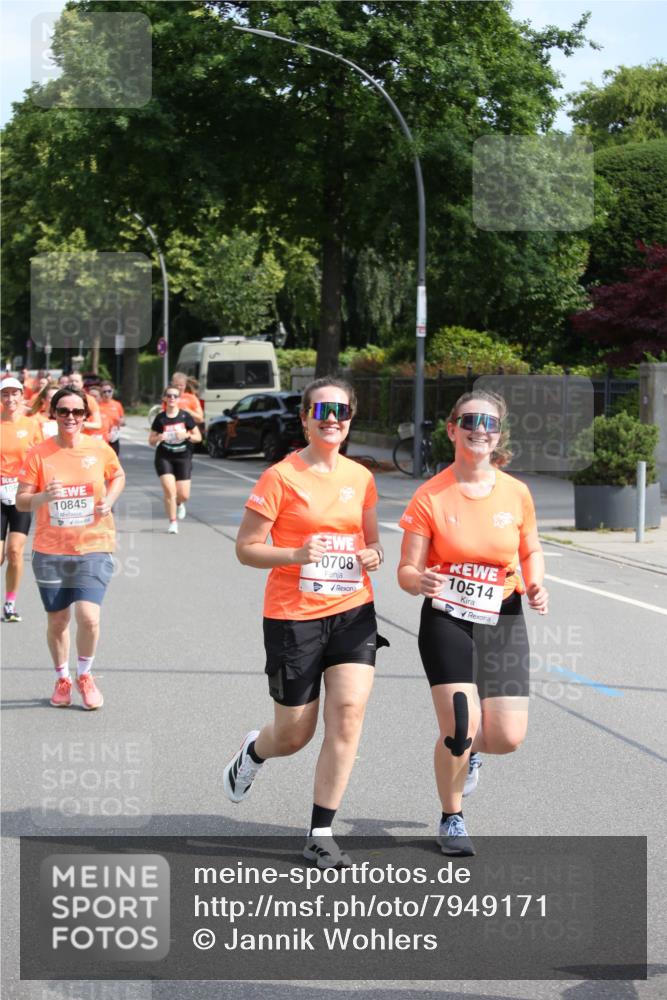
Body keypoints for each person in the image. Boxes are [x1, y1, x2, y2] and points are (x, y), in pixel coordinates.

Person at [223, 377, 385, 869]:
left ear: (350, 418)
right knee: (294, 734)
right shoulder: (280, 477)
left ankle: (320, 831)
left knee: (349, 713)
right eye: (322, 410)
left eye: (341, 411)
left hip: (353, 609)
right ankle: (255, 752)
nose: (332, 418)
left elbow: (372, 542)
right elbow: (246, 548)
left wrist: (374, 554)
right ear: (305, 418)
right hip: (293, 616)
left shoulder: (361, 477)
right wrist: (295, 553)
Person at [397, 390, 549, 857]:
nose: (479, 428)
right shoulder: (430, 495)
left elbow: (531, 550)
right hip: (447, 618)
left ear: (498, 434)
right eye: (470, 420)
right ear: (452, 428)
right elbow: (405, 570)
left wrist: (537, 583)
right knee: (460, 724)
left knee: (506, 737)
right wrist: (418, 580)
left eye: (489, 422)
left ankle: (467, 751)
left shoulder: (516, 492)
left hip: (502, 616)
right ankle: (452, 816)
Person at [16, 386, 125, 709]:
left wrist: (109, 499)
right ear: (54, 414)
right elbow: (22, 502)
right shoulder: (39, 453)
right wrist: (43, 497)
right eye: (63, 411)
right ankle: (63, 677)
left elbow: (117, 476)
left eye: (77, 412)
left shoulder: (99, 448)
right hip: (51, 550)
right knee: (58, 621)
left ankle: (85, 675)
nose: (71, 418)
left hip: (94, 543)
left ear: (85, 416)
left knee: (89, 617)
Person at [1, 377, 40, 622]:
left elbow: (42, 458)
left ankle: (10, 604)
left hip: (22, 494)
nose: (10, 399)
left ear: (22, 396)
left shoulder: (32, 425)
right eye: (5, 394)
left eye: (15, 394)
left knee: (15, 551)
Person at [149, 387, 202, 533]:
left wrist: (187, 436)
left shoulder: (185, 417)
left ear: (178, 399)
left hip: (183, 456)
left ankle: (180, 503)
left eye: (175, 396)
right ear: (164, 398)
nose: (172, 398)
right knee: (169, 491)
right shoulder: (160, 418)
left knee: (184, 494)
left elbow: (199, 437)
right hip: (164, 456)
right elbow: (151, 441)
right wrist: (158, 438)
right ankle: (173, 522)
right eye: (169, 395)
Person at [65, 371, 103, 437]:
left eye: (76, 381)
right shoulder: (62, 399)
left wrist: (81, 424)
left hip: (84, 439)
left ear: (82, 384)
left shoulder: (90, 400)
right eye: (71, 381)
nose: (73, 383)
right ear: (67, 383)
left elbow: (98, 424)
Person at [98, 381, 125, 455]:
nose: (107, 394)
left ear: (112, 391)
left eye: (109, 391)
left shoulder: (117, 405)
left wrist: (120, 421)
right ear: (101, 393)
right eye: (104, 392)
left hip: (114, 436)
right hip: (101, 438)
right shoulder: (97, 405)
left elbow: (122, 419)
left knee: (113, 461)